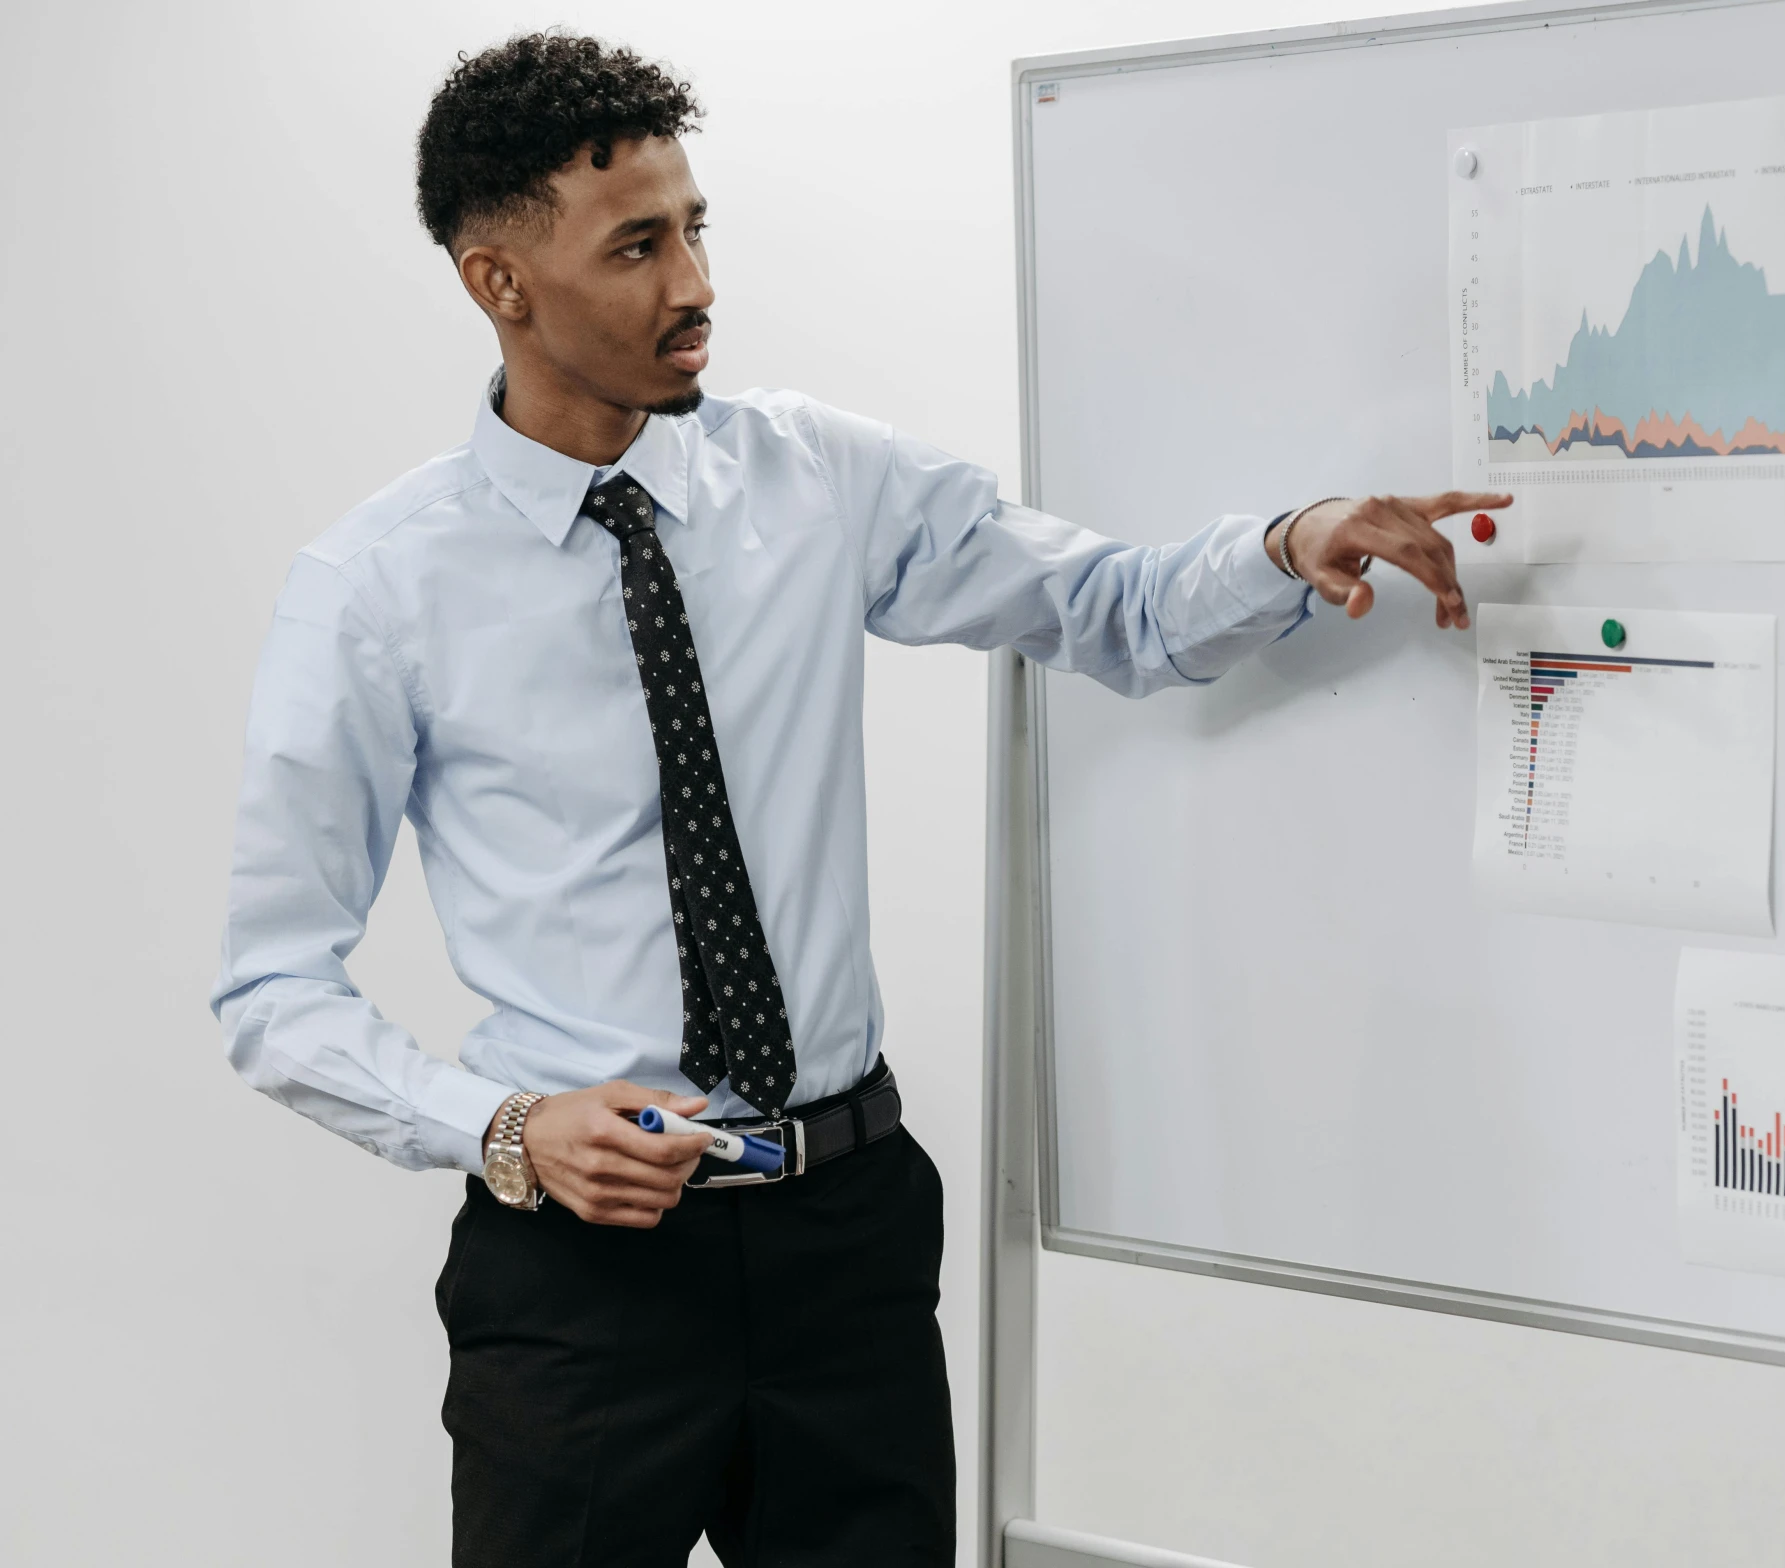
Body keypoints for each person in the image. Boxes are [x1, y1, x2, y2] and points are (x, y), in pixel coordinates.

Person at [209, 30, 1507, 1568]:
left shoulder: (815, 481)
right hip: (582, 1281)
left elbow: (1105, 606)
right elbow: (274, 985)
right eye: (637, 246)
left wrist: (1288, 541)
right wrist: (503, 1129)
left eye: (697, 230)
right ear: (500, 283)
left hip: (847, 1242)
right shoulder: (375, 592)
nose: (694, 284)